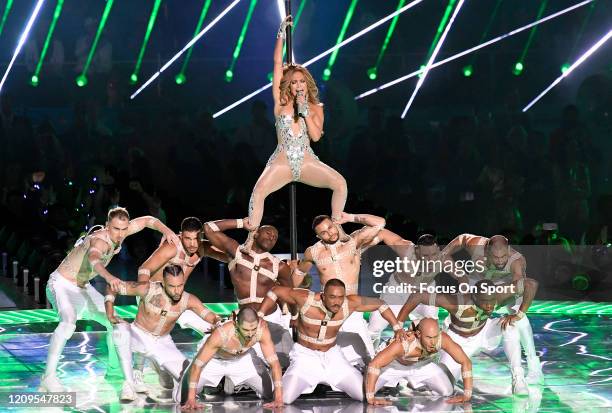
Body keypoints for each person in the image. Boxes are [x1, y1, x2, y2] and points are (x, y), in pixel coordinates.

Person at [39, 207, 179, 392]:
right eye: (115, 229)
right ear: (107, 226)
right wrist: (110, 278)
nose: (120, 234)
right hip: (61, 284)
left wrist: (168, 232)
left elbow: (147, 220)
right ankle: (48, 378)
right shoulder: (100, 241)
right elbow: (95, 260)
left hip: (83, 287)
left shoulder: (122, 231)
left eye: (123, 229)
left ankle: (114, 371)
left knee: (115, 322)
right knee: (68, 323)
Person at [244, 15, 347, 249]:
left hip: (307, 160)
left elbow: (316, 136)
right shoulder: (279, 104)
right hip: (282, 161)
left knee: (340, 184)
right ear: (288, 85)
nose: (297, 85)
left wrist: (305, 111)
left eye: (301, 81)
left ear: (306, 83)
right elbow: (277, 66)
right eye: (293, 82)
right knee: (258, 192)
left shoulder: (316, 108)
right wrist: (280, 34)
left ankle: (337, 229)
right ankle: (251, 241)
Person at [258, 279, 407, 404]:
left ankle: (374, 371)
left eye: (340, 297)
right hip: (305, 357)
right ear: (323, 296)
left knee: (365, 396)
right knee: (283, 399)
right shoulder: (306, 299)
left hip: (333, 357)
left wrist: (397, 327)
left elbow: (381, 304)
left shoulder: (350, 303)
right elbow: (275, 291)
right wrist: (260, 315)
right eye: (332, 297)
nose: (337, 302)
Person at [131, 217, 229, 392]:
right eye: (187, 238)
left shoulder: (203, 247)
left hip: (178, 300)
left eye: (196, 239)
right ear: (181, 235)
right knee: (145, 332)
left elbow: (230, 256)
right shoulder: (171, 247)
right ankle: (137, 372)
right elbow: (144, 269)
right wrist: (146, 292)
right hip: (153, 298)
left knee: (213, 325)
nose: (192, 244)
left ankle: (215, 369)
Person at [397, 278, 539, 395]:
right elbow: (418, 296)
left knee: (510, 326)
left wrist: (519, 314)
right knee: (446, 389)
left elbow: (531, 284)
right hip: (458, 340)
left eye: (492, 301)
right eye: (484, 301)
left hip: (485, 332)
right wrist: (398, 325)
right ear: (474, 296)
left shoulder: (498, 295)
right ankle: (411, 373)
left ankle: (518, 379)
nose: (489, 306)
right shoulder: (457, 302)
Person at [105, 264, 221, 401]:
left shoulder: (188, 299)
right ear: (163, 283)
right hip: (138, 336)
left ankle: (159, 367)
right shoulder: (147, 288)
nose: (177, 290)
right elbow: (112, 286)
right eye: (172, 286)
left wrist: (219, 322)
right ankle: (129, 383)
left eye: (180, 285)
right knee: (120, 330)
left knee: (182, 382)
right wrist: (110, 313)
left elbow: (210, 316)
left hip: (162, 343)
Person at [443, 233, 543, 383]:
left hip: (502, 285)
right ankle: (448, 347)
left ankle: (533, 365)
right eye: (496, 257)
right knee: (460, 309)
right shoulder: (476, 245)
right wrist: (449, 260)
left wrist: (518, 313)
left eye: (503, 256)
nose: (501, 261)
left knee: (516, 311)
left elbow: (522, 287)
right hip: (476, 281)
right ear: (486, 251)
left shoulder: (517, 261)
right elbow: (462, 239)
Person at [292, 212, 385, 366]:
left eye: (331, 227)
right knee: (321, 357)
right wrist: (291, 302)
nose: (330, 233)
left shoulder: (353, 242)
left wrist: (350, 218)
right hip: (326, 312)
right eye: (323, 233)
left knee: (368, 357)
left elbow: (380, 222)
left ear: (335, 224)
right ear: (318, 237)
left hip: (352, 309)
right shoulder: (313, 252)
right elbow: (300, 272)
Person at [203, 218, 295, 368]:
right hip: (244, 318)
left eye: (275, 237)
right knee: (229, 356)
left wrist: (295, 317)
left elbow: (291, 295)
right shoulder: (237, 252)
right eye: (268, 233)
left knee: (284, 363)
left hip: (271, 318)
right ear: (256, 233)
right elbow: (208, 229)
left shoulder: (279, 266)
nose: (272, 237)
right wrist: (241, 223)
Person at [180, 308, 283, 410]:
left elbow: (275, 364)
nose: (251, 334)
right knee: (182, 398)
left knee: (271, 394)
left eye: (253, 329)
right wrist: (191, 398)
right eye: (246, 330)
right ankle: (215, 385)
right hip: (214, 360)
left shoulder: (262, 330)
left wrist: (278, 398)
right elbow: (197, 366)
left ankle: (240, 386)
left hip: (242, 359)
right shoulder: (221, 335)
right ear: (236, 324)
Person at [365, 318, 472, 406]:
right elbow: (374, 364)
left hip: (421, 365)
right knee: (363, 395)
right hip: (393, 366)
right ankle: (363, 372)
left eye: (435, 337)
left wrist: (467, 394)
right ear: (418, 334)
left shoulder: (442, 339)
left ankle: (439, 370)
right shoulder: (402, 343)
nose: (433, 342)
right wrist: (370, 398)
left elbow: (465, 361)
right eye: (429, 337)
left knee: (447, 392)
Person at [366, 231, 443, 347]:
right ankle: (369, 355)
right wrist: (361, 248)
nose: (430, 259)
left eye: (433, 254)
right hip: (397, 291)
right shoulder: (406, 249)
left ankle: (429, 351)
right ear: (417, 250)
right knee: (375, 325)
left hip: (425, 292)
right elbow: (382, 233)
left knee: (431, 323)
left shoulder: (444, 257)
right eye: (426, 255)